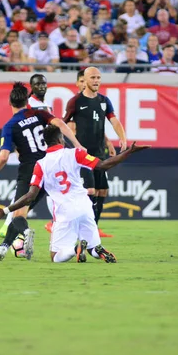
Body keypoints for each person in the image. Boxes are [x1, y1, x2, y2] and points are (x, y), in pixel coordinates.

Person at [0, 125, 149, 263]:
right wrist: (127, 153)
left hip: (65, 212)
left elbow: (30, 196)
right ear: (60, 140)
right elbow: (103, 165)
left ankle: (74, 249)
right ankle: (96, 249)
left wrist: (6, 210)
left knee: (55, 255)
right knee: (93, 246)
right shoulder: (75, 153)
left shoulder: (41, 165)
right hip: (85, 207)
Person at [0, 82, 84, 261]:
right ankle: (2, 249)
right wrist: (77, 144)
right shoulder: (39, 113)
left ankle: (26, 232)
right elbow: (59, 123)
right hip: (50, 168)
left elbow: (4, 156)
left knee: (18, 214)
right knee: (21, 212)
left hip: (30, 171)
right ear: (27, 100)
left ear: (10, 103)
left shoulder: (10, 125)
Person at [63, 67, 127, 232]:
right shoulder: (75, 101)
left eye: (98, 77)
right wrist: (76, 144)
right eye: (92, 77)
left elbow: (114, 121)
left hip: (100, 155)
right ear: (84, 80)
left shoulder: (104, 101)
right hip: (83, 156)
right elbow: (63, 125)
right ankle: (81, 229)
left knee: (102, 191)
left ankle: (93, 229)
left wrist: (122, 137)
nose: (96, 80)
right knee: (89, 191)